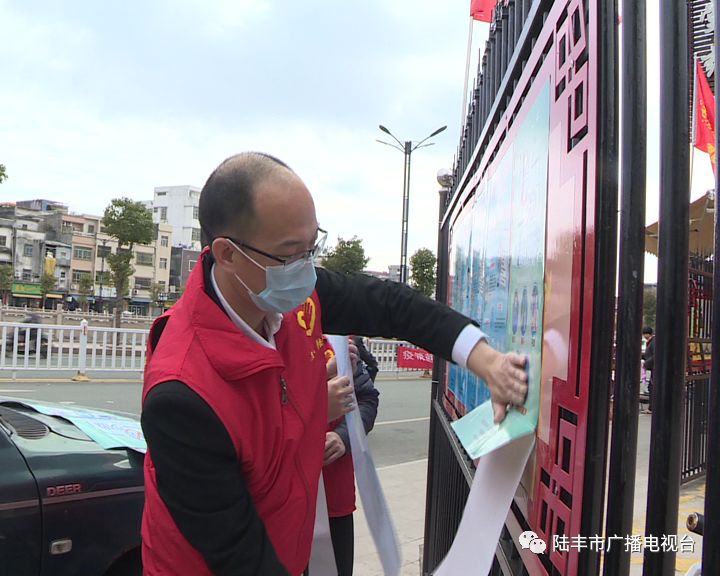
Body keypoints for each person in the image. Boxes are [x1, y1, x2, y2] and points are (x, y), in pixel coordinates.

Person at [140, 152, 528, 576]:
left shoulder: (284, 296)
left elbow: (388, 305)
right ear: (227, 254)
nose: (306, 269)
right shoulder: (181, 394)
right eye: (291, 254)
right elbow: (238, 555)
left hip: (294, 543)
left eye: (313, 247)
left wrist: (485, 359)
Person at [322, 340, 379, 576]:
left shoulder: (338, 340)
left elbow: (367, 400)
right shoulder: (267, 331)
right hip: (282, 499)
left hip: (335, 496)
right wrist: (321, 379)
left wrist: (343, 436)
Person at [641, 326, 655, 414]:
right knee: (651, 387)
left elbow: (654, 355)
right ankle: (651, 407)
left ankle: (651, 408)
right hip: (653, 367)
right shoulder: (651, 342)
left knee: (652, 387)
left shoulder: (653, 342)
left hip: (654, 368)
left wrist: (646, 364)